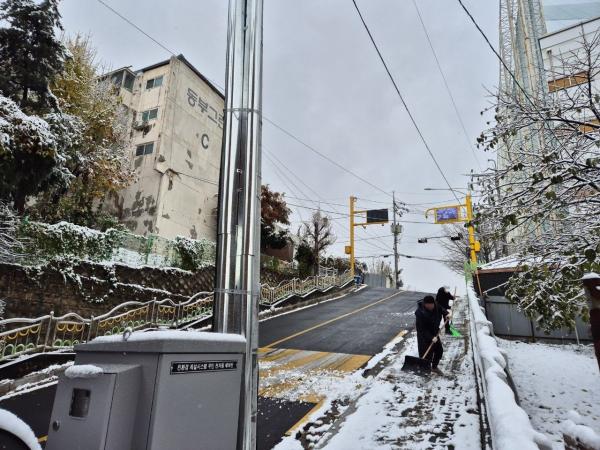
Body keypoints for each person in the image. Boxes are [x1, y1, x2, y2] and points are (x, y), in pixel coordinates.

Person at [415, 295, 444, 371]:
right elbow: (421, 329)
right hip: (424, 336)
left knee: (439, 351)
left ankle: (434, 367)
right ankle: (425, 369)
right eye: (428, 305)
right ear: (425, 304)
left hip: (435, 333)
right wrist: (431, 337)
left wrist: (447, 313)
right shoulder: (420, 313)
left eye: (431, 305)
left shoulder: (436, 306)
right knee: (427, 354)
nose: (430, 307)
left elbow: (442, 309)